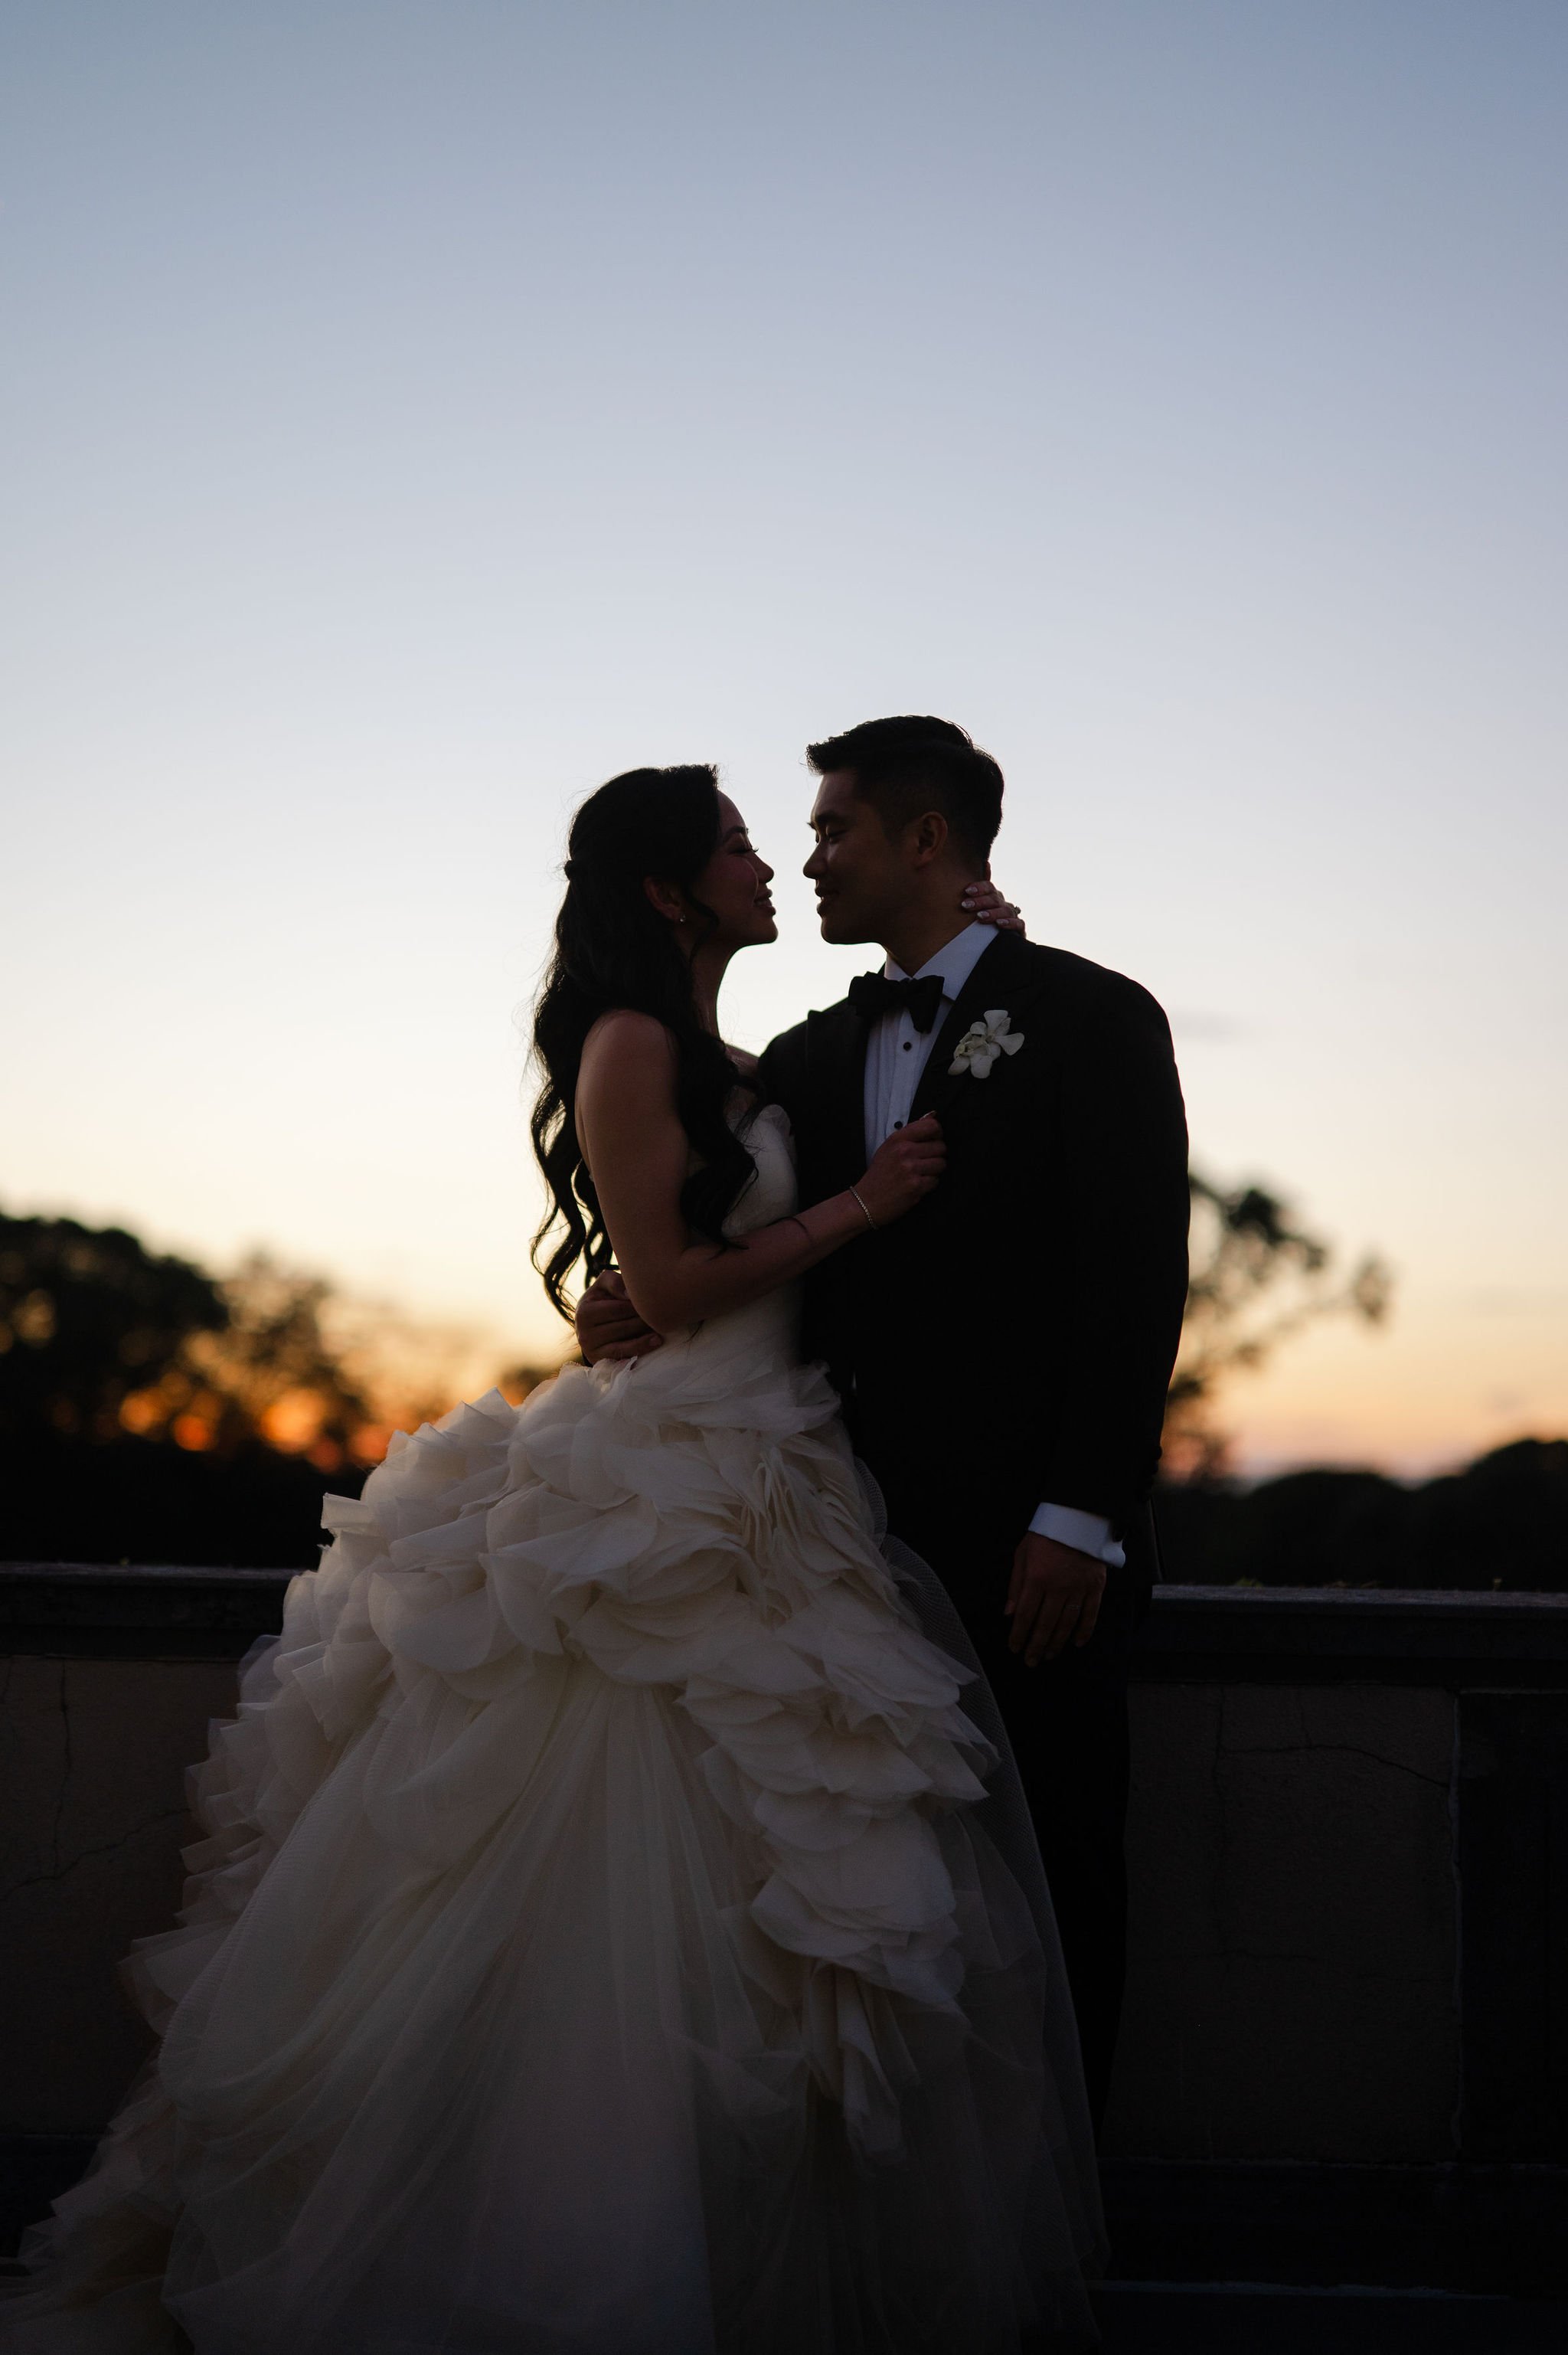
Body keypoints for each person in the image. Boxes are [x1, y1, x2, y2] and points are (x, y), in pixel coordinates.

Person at [4, 764, 1103, 2355]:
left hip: (776, 1477)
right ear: (669, 888)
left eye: (780, 835)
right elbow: (672, 1272)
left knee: (764, 1906)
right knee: (588, 1897)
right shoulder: (631, 1040)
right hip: (661, 1497)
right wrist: (858, 1203)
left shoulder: (748, 1053)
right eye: (736, 843)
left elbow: (663, 1262)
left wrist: (979, 938)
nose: (768, 862)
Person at [580, 720, 1190, 2127]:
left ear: (928, 841)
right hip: (829, 1550)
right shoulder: (803, 1052)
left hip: (1033, 1550)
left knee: (1058, 1874)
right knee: (867, 1899)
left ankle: (1057, 2229)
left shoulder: (1094, 1018)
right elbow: (722, 1223)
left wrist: (1079, 1518)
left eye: (835, 830)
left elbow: (1134, 1286)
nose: (809, 858)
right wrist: (631, 1299)